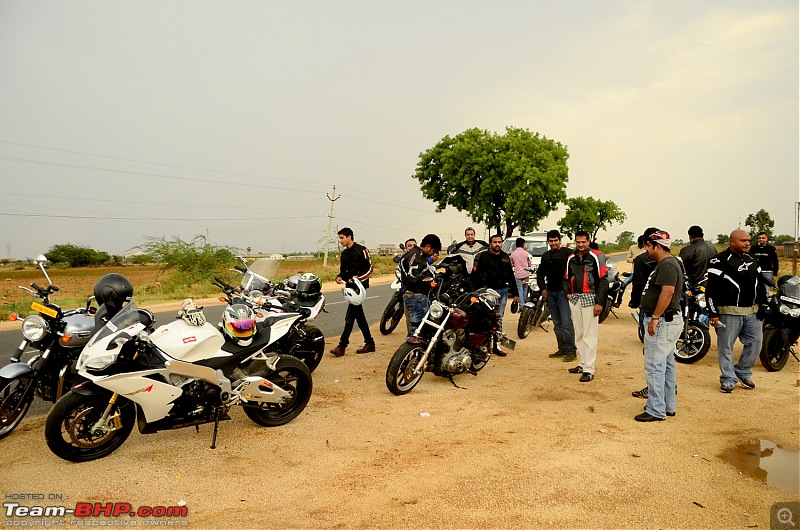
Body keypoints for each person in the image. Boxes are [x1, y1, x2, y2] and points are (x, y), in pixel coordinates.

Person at [706, 229, 767, 393]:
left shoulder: (752, 259)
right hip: (728, 313)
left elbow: (760, 285)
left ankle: (742, 371)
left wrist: (763, 306)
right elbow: (711, 289)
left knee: (756, 344)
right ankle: (728, 378)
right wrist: (713, 313)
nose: (747, 243)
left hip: (752, 313)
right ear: (732, 241)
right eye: (743, 240)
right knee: (726, 348)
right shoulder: (719, 261)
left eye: (748, 240)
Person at [635, 230, 684, 422]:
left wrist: (655, 317)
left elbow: (668, 292)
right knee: (667, 363)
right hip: (667, 320)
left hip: (664, 320)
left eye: (648, 246)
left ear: (657, 246)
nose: (646, 249)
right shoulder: (667, 264)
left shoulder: (667, 265)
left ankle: (656, 409)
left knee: (655, 364)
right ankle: (668, 405)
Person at [563, 231, 608, 382]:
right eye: (578, 242)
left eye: (583, 242)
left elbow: (603, 280)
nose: (581, 244)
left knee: (590, 334)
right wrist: (568, 294)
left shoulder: (597, 256)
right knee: (580, 333)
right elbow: (566, 278)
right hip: (575, 298)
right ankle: (582, 363)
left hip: (591, 297)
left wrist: (599, 302)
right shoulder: (571, 258)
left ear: (588, 241)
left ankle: (589, 369)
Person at [329, 227, 375, 357]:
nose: (340, 241)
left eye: (342, 238)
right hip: (349, 288)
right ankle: (370, 342)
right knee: (359, 316)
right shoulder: (344, 254)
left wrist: (357, 279)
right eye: (339, 238)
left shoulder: (361, 250)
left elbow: (370, 269)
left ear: (349, 237)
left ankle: (342, 345)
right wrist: (339, 277)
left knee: (350, 317)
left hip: (359, 288)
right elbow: (343, 271)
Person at [472, 234, 519, 355]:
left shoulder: (505, 257)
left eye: (499, 242)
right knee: (486, 318)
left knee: (499, 318)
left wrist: (515, 293)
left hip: (503, 291)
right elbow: (476, 276)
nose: (497, 244)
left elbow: (511, 276)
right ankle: (483, 345)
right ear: (490, 243)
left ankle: (496, 345)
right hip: (488, 292)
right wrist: (477, 291)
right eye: (495, 242)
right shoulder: (483, 256)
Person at [536, 230, 576, 360]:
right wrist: (543, 288)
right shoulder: (546, 256)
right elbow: (540, 273)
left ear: (560, 240)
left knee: (566, 323)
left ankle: (571, 351)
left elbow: (575, 272)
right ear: (548, 241)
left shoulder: (568, 253)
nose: (553, 243)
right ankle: (562, 348)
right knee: (557, 323)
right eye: (551, 241)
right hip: (551, 292)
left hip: (564, 293)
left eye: (555, 240)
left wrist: (570, 290)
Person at [629, 227, 659, 399]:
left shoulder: (641, 260)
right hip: (666, 310)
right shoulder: (670, 259)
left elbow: (638, 284)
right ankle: (669, 387)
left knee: (651, 351)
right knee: (665, 354)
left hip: (648, 309)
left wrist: (634, 302)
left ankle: (652, 388)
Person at [398, 234, 442, 340]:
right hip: (416, 295)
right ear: (428, 246)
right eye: (434, 250)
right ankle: (417, 352)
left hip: (410, 294)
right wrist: (429, 281)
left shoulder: (412, 254)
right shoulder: (418, 257)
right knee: (419, 329)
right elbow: (413, 277)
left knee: (415, 326)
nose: (434, 254)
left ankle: (415, 351)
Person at [614, 236, 646, 307]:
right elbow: (628, 259)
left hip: (643, 273)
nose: (641, 246)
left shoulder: (647, 249)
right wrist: (634, 260)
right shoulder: (632, 247)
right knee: (623, 284)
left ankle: (637, 302)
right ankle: (619, 301)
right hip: (634, 272)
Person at [751, 231, 779, 297]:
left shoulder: (771, 248)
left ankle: (765, 305)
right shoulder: (753, 248)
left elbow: (775, 261)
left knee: (766, 291)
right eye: (759, 238)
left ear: (766, 239)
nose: (761, 239)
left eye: (763, 238)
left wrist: (775, 274)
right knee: (756, 290)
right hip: (756, 273)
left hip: (767, 272)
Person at [509, 237, 532, 309]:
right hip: (526, 273)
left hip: (518, 274)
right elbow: (529, 263)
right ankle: (524, 304)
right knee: (525, 289)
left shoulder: (513, 254)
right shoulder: (526, 253)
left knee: (520, 289)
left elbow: (512, 264)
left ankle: (521, 305)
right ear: (523, 244)